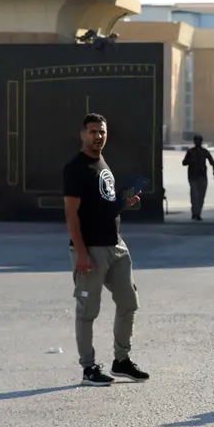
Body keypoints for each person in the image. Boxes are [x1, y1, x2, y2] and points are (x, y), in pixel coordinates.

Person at [63, 113, 148, 387]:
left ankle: (121, 361)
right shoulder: (76, 168)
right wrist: (81, 252)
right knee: (88, 310)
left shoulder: (102, 162)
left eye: (102, 131)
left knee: (128, 302)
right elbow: (71, 214)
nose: (98, 136)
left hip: (115, 245)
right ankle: (88, 368)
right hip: (92, 249)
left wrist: (124, 202)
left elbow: (104, 204)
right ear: (82, 134)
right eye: (92, 131)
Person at [182, 135, 214, 221]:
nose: (198, 142)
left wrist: (213, 171)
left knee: (201, 196)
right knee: (195, 195)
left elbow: (211, 161)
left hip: (202, 176)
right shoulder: (190, 152)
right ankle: (195, 213)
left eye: (199, 141)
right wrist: (191, 161)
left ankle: (198, 213)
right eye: (196, 141)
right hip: (193, 177)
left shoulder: (204, 151)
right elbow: (184, 162)